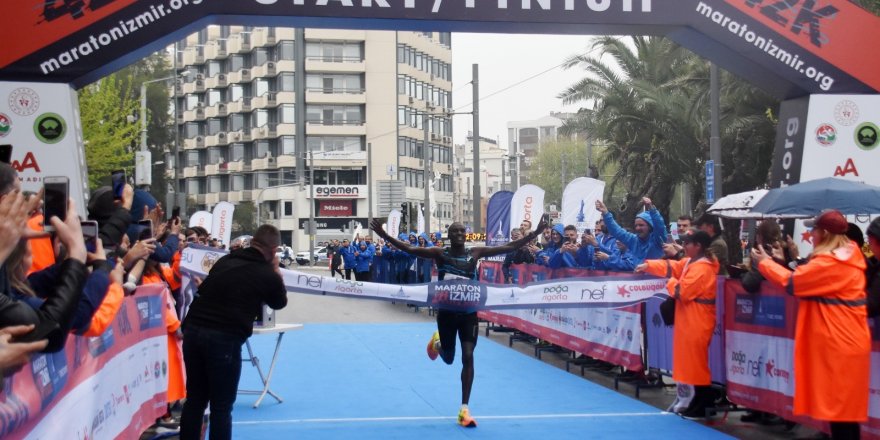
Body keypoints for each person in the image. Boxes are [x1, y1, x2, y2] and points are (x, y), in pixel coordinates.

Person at [371, 216, 549, 428]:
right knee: (448, 358)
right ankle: (438, 343)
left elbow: (510, 245)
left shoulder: (475, 253)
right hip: (446, 312)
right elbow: (409, 249)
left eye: (461, 232)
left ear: (465, 236)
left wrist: (535, 233)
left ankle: (464, 409)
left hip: (468, 313)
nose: (459, 235)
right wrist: (383, 235)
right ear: (449, 236)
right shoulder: (439, 253)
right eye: (454, 232)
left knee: (468, 355)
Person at [752, 210, 870, 440]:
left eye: (813, 230)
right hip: (844, 342)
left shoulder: (832, 262)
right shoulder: (846, 259)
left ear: (824, 233)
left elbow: (793, 282)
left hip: (838, 345)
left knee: (842, 416)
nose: (810, 234)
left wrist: (765, 263)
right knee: (843, 414)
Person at [179, 225, 288, 440]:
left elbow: (205, 289)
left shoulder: (227, 260)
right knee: (221, 407)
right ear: (273, 250)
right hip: (223, 338)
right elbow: (279, 302)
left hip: (193, 331)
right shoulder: (266, 272)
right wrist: (276, 270)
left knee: (195, 401)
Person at [636, 230, 719, 418]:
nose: (684, 246)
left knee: (696, 364)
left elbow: (682, 292)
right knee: (691, 364)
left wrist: (671, 282)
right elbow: (672, 266)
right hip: (690, 319)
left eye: (688, 243)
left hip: (698, 320)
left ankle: (703, 403)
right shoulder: (692, 262)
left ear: (698, 246)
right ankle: (697, 401)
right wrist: (648, 266)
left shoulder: (702, 268)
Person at [595, 197, 667, 265]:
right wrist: (605, 212)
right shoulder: (633, 240)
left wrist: (652, 209)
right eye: (636, 226)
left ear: (650, 227)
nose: (638, 228)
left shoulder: (657, 240)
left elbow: (660, 226)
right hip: (638, 277)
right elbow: (616, 230)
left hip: (656, 278)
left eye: (641, 225)